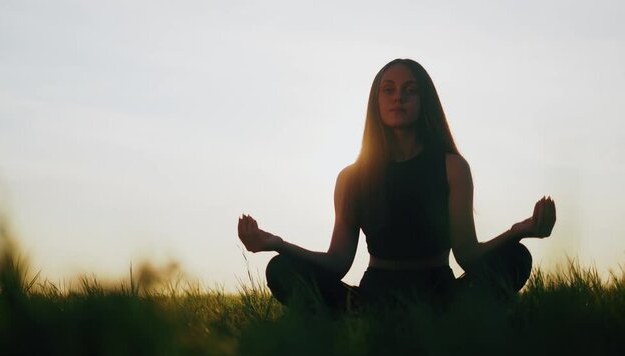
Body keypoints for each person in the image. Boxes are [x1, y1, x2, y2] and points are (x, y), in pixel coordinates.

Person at [237, 58, 556, 312]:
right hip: (372, 299)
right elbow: (337, 262)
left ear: (423, 100)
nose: (398, 97)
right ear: (376, 101)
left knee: (515, 259)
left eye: (409, 90)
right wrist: (278, 244)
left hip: (441, 295)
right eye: (388, 89)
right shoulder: (351, 177)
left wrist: (519, 231)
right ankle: (369, 321)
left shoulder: (452, 167)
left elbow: (468, 256)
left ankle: (446, 320)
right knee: (282, 270)